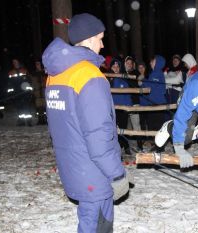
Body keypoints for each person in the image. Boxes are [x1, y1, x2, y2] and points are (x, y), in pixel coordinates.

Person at [42, 13, 131, 233]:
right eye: (100, 38)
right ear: (89, 38)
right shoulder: (89, 75)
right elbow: (98, 133)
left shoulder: (55, 74)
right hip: (94, 169)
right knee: (97, 224)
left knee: (88, 219)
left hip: (72, 162)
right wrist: (116, 173)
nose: (102, 45)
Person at [7, 58, 34, 126]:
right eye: (13, 62)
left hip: (25, 92)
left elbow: (29, 81)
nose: (15, 63)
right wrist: (11, 92)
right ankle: (21, 121)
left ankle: (28, 121)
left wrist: (29, 90)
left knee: (26, 107)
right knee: (19, 107)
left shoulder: (24, 70)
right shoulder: (11, 72)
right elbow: (9, 83)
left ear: (19, 62)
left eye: (16, 62)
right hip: (16, 93)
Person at [30, 60, 47, 124]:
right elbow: (32, 83)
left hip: (44, 91)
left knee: (45, 106)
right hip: (37, 93)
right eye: (36, 64)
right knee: (38, 107)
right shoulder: (33, 74)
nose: (37, 65)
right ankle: (40, 120)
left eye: (38, 64)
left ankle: (45, 120)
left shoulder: (45, 72)